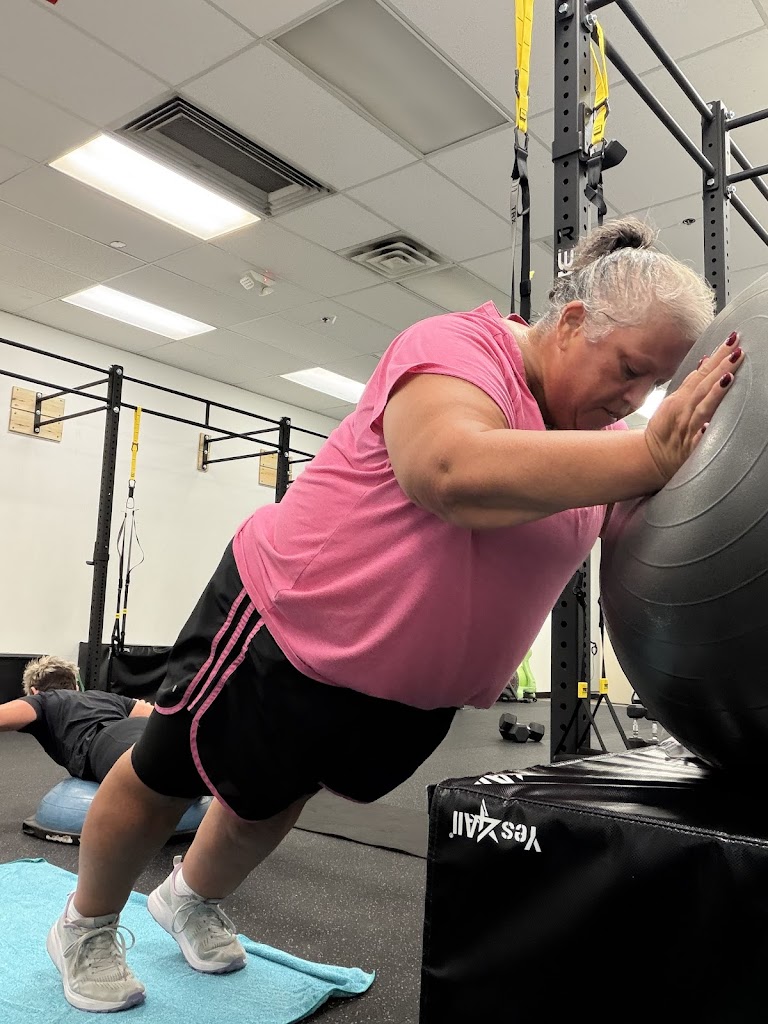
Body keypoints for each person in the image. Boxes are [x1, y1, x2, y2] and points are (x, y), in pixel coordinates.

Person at [47, 218, 743, 1012]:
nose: (636, 398)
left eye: (655, 384)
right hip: (285, 627)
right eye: (628, 369)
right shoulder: (460, 348)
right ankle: (85, 925)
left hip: (400, 693)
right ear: (574, 322)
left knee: (271, 797)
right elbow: (446, 470)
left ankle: (188, 899)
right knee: (166, 774)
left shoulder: (603, 442)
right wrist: (648, 455)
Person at [1, 655, 153, 783]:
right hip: (140, 732)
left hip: (107, 744)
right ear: (76, 688)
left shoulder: (43, 699)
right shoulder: (107, 696)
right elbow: (155, 714)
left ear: (34, 691)